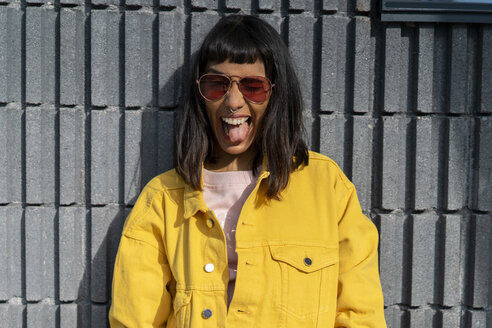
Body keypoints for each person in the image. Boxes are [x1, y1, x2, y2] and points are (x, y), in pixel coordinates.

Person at [109, 14, 386, 327]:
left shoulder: (327, 188)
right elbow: (133, 320)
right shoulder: (162, 201)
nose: (233, 101)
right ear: (200, 94)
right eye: (217, 84)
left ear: (276, 93)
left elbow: (361, 316)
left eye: (253, 86)